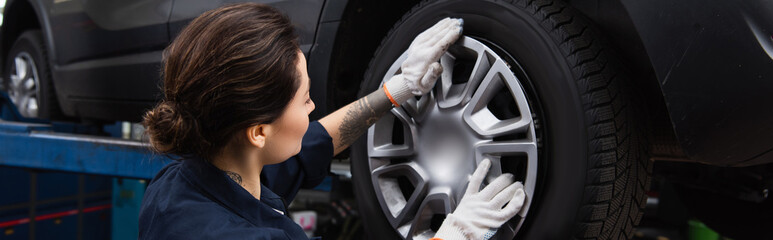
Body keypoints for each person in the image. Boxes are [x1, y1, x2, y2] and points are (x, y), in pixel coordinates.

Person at [138, 3, 525, 240]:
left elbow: (316, 140)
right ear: (258, 132)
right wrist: (454, 236)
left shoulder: (184, 181)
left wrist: (395, 91)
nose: (313, 106)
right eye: (304, 98)